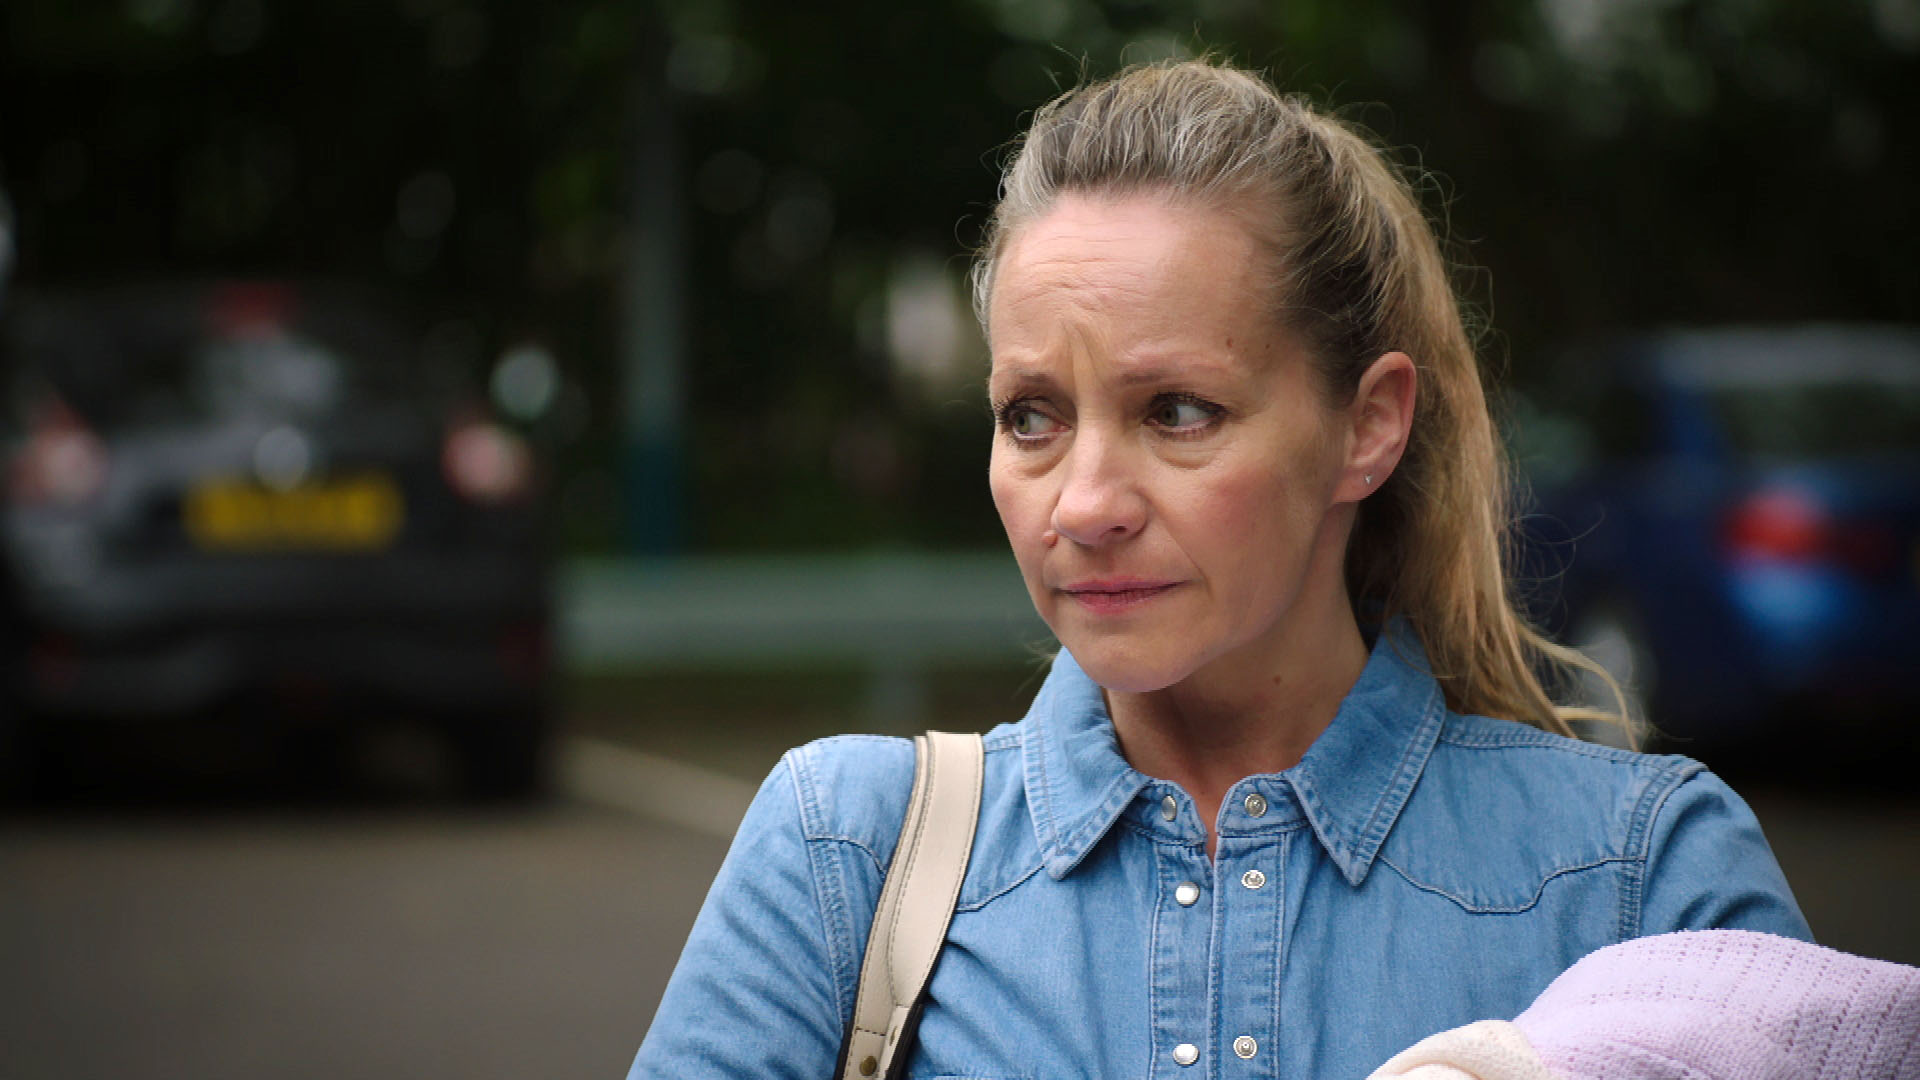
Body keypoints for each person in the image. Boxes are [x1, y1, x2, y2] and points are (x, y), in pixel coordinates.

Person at [628, 60, 1808, 1080]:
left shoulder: (1639, 875)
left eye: (1178, 411)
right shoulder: (846, 852)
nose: (1084, 504)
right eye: (1031, 416)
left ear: (1367, 427)